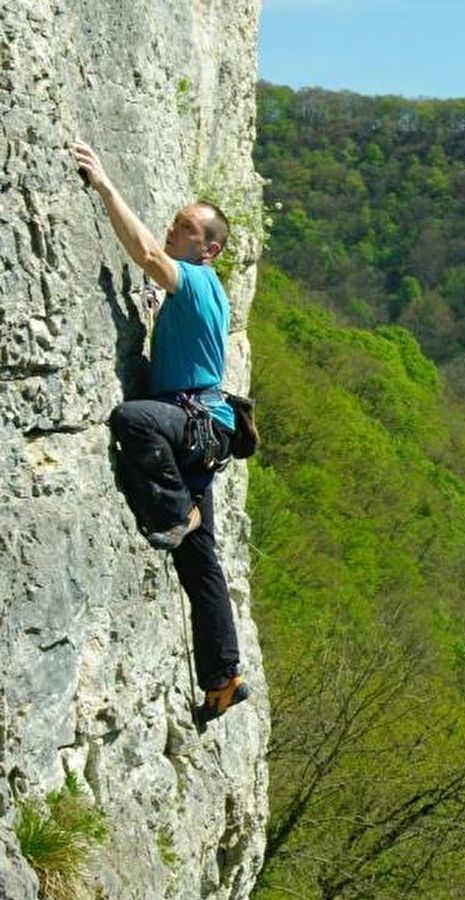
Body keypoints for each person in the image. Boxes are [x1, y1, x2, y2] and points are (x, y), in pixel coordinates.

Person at [71, 139, 249, 723]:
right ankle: (223, 679)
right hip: (201, 430)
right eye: (174, 224)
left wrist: (104, 184)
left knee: (132, 418)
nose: (172, 231)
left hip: (190, 425)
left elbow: (147, 254)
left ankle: (175, 513)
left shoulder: (197, 280)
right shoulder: (196, 290)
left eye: (184, 228)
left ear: (210, 249)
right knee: (200, 564)